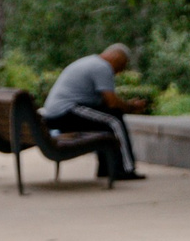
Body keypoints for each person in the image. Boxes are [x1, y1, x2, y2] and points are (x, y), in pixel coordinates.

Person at [40, 42, 145, 182]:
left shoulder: (91, 62)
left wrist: (127, 105)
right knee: (114, 120)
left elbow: (104, 103)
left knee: (104, 119)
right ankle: (125, 169)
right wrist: (131, 107)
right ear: (115, 57)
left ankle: (106, 169)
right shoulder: (102, 67)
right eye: (122, 66)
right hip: (65, 111)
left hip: (56, 113)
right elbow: (112, 102)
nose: (119, 72)